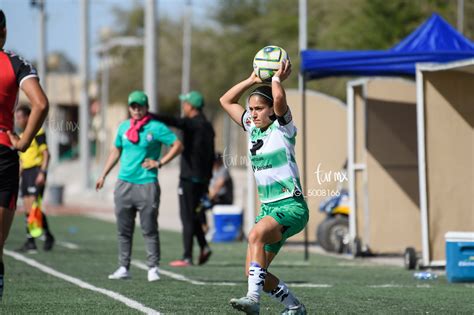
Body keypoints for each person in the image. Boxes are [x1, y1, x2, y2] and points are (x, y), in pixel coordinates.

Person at [219, 60, 308, 315]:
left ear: (271, 110)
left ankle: (252, 300)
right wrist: (252, 80)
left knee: (255, 235)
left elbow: (280, 102)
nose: (254, 113)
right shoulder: (252, 127)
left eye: (259, 109)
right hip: (268, 209)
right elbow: (225, 101)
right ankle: (294, 307)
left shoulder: (282, 128)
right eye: (251, 109)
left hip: (291, 205)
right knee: (253, 271)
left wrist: (276, 80)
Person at [95, 90, 183, 282]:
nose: (136, 110)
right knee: (123, 230)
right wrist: (103, 175)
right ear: (129, 108)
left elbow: (177, 145)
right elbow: (115, 151)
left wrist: (160, 162)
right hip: (124, 184)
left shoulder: (156, 127)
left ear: (146, 107)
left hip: (147, 184)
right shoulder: (123, 127)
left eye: (140, 106)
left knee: (149, 228)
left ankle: (153, 268)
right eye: (133, 106)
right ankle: (123, 267)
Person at [0, 9, 49, 300]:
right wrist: (24, 141)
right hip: (4, 153)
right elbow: (41, 104)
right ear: (4, 31)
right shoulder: (14, 63)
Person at [151, 91, 215, 267]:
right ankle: (204, 246)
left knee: (187, 217)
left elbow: (174, 121)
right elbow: (211, 156)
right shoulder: (208, 126)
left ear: (191, 106)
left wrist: (150, 115)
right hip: (201, 179)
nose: (183, 106)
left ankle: (187, 256)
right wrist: (208, 181)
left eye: (185, 104)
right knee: (193, 215)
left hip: (189, 178)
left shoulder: (192, 124)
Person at [15, 105, 55, 253]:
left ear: (27, 117)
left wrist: (42, 172)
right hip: (26, 173)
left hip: (36, 171)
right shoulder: (22, 135)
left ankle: (46, 235)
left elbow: (46, 154)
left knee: (33, 206)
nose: (18, 121)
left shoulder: (37, 132)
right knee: (26, 207)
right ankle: (31, 241)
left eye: (20, 117)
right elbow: (22, 159)